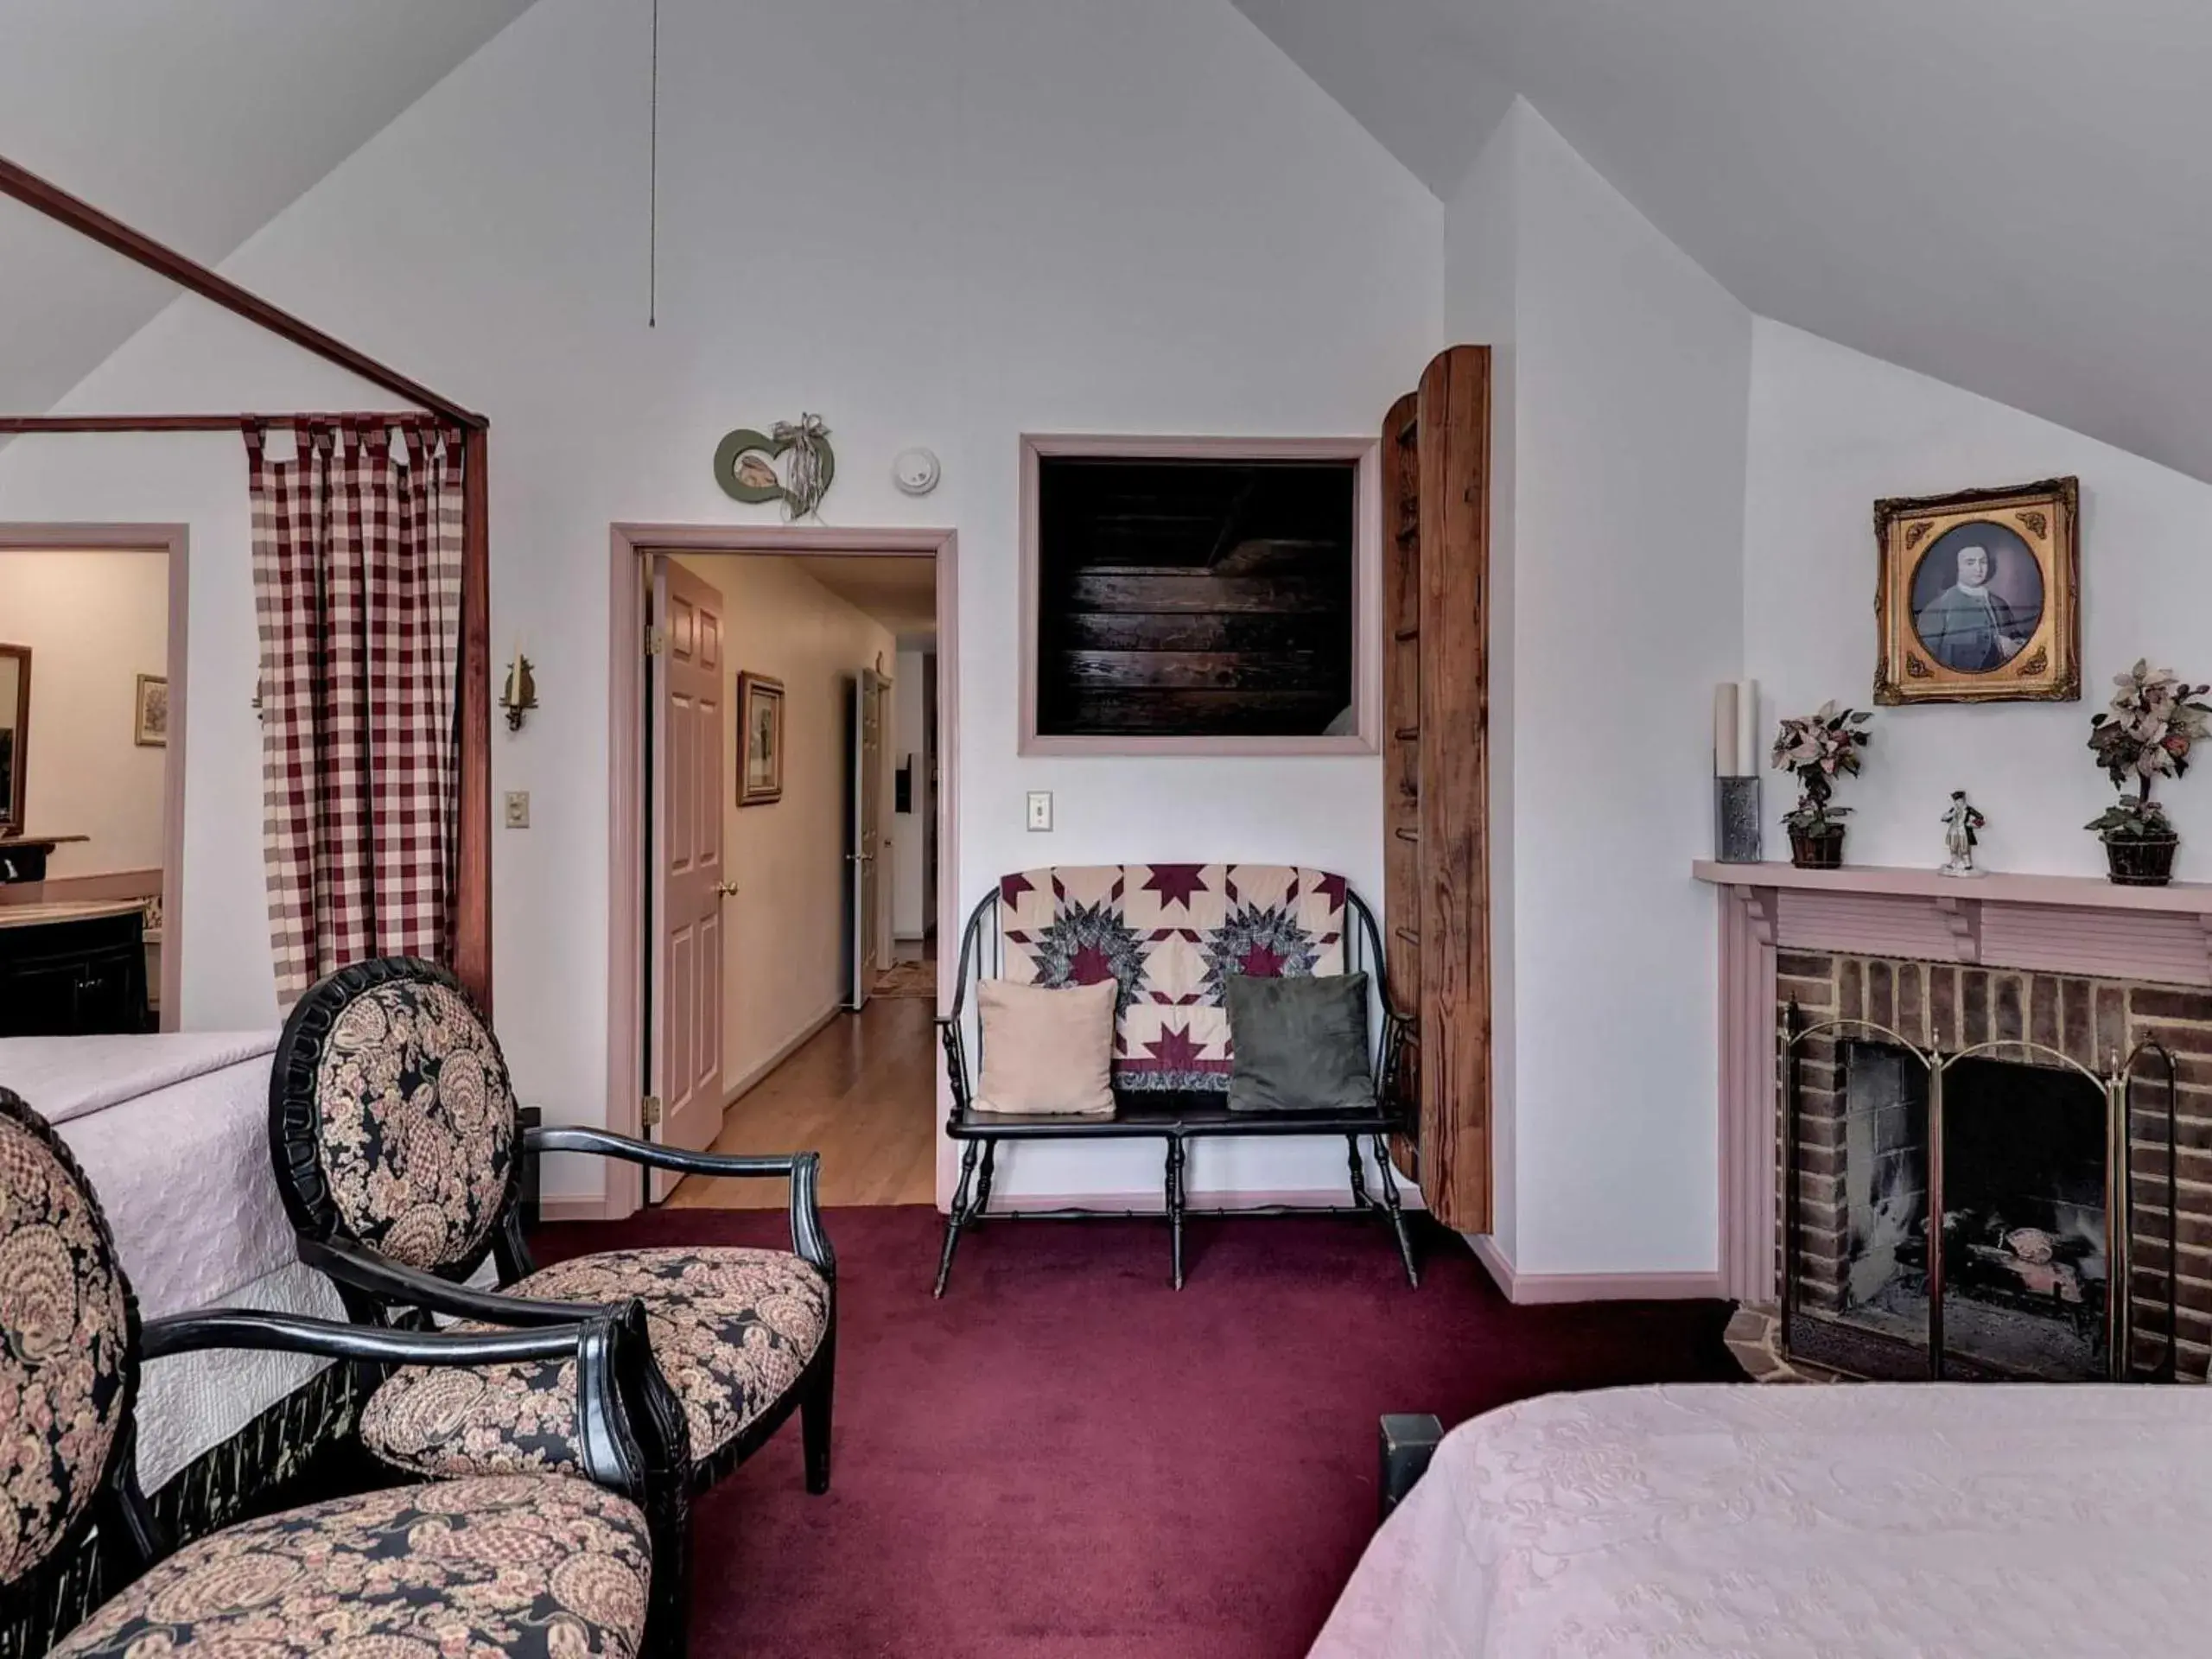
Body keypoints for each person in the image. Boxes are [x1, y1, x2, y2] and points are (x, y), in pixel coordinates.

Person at [1916, 543, 2029, 671]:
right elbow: (1926, 661)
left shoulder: (1999, 603)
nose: (1979, 569)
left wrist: (2014, 646)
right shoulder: (1938, 608)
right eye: (1970, 563)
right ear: (1956, 567)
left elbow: (2017, 642)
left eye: (1983, 562)